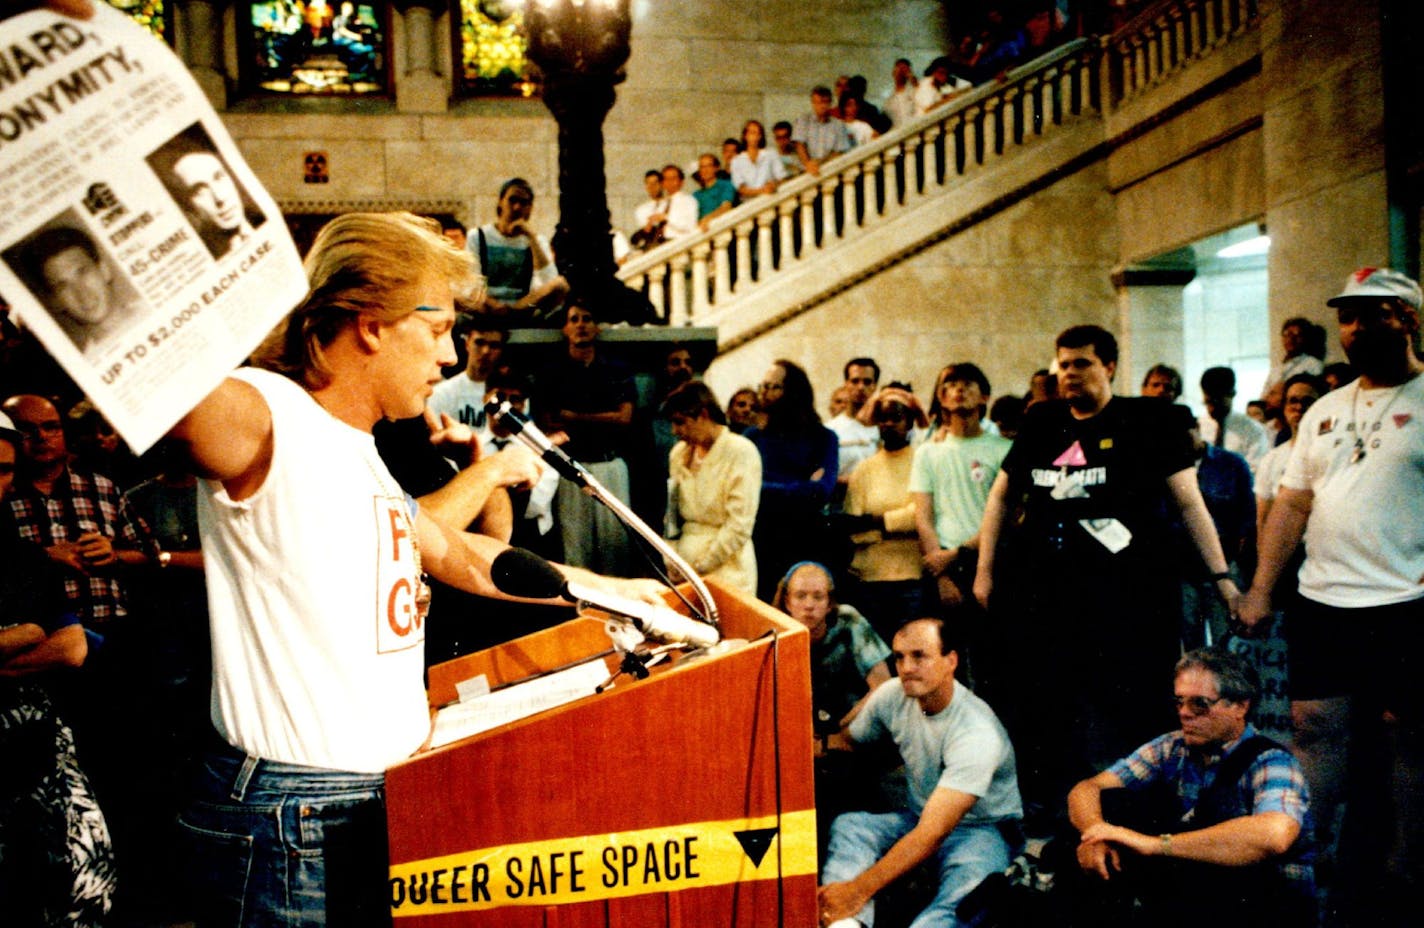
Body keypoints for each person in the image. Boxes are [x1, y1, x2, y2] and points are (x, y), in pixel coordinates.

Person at [162, 212, 661, 926]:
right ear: (371, 323)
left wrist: (619, 595)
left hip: (373, 800)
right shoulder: (265, 410)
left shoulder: (360, 446)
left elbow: (460, 554)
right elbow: (164, 395)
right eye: (437, 331)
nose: (452, 357)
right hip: (292, 822)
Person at [973, 326, 1240, 822]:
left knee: (1135, 712)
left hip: (1130, 601)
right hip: (1050, 599)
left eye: (1082, 364)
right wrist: (985, 572)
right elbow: (1000, 497)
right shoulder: (1042, 421)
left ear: (1110, 366)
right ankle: (1063, 818)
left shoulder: (1148, 420)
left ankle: (1144, 818)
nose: (1069, 375)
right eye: (1063, 365)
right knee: (1051, 711)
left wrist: (1221, 576)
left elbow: (1189, 502)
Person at [1240, 267, 1424, 926]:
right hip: (1325, 600)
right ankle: (1304, 856)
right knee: (1314, 729)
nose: (1355, 328)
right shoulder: (1322, 408)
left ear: (1406, 318)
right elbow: (1291, 505)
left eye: (1372, 314)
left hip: (1406, 603)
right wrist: (1262, 587)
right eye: (1348, 317)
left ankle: (1405, 868)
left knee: (1406, 737)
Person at [1065, 648, 1315, 928]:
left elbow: (1275, 835)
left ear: (1240, 707)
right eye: (1179, 701)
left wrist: (1154, 845)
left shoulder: (1272, 761)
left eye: (1200, 704)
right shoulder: (1172, 747)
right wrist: (1096, 835)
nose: (1184, 713)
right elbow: (1087, 789)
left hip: (1270, 906)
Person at [818, 617, 1022, 928]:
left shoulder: (976, 732)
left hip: (982, 831)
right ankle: (845, 924)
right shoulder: (893, 694)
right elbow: (846, 741)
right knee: (851, 826)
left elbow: (933, 834)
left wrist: (858, 889)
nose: (906, 667)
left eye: (919, 656)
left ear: (950, 660)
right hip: (919, 817)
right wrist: (808, 744)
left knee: (962, 901)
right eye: (899, 656)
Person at [0, 409, 117, 928]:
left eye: (4, 469)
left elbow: (69, 646)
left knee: (78, 881)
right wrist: (22, 634)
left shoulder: (17, 554)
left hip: (32, 741)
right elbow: (36, 632)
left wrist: (21, 639)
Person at [534, 301, 636, 576]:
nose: (581, 324)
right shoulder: (552, 372)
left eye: (587, 318)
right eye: (574, 319)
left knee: (615, 548)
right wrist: (603, 417)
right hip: (572, 468)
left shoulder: (616, 368)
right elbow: (548, 422)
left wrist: (575, 416)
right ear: (566, 328)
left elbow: (624, 417)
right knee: (575, 550)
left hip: (610, 466)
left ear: (597, 327)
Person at [912, 364, 1010, 621]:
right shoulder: (927, 453)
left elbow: (1007, 514)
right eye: (951, 386)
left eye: (967, 385)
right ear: (942, 398)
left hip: (988, 560)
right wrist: (942, 576)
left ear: (984, 397)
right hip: (941, 565)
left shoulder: (1004, 449)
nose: (958, 391)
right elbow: (924, 517)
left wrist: (959, 554)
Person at [746, 360, 838, 601]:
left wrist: (766, 487)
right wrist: (801, 486)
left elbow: (821, 491)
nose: (763, 393)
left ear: (792, 392)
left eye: (773, 387)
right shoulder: (752, 438)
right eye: (762, 386)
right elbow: (746, 491)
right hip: (761, 544)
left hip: (805, 542)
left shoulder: (823, 438)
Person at [842, 386, 928, 642]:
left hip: (912, 577)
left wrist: (877, 522)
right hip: (870, 579)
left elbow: (920, 516)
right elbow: (853, 528)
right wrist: (898, 524)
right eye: (883, 418)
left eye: (897, 417)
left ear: (910, 421)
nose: (889, 424)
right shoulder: (864, 470)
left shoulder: (922, 462)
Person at [662, 381, 760, 595]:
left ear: (704, 414)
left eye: (680, 422)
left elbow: (739, 524)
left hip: (728, 570)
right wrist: (670, 559)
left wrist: (699, 567)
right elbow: (671, 516)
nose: (675, 431)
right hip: (682, 570)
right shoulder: (678, 454)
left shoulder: (741, 452)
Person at [14, 225, 140, 355]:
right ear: (55, 302)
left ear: (104, 270)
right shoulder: (87, 366)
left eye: (82, 272)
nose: (82, 293)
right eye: (63, 286)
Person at [467, 177, 569, 320]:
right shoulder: (477, 236)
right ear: (500, 202)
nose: (517, 207)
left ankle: (515, 315)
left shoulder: (536, 240)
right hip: (485, 305)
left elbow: (550, 280)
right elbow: (471, 281)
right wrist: (493, 304)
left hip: (521, 307)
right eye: (512, 200)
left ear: (530, 208)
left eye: (524, 203)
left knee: (560, 285)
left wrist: (531, 237)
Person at [153, 136, 263, 260]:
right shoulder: (196, 254)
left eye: (219, 177)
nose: (220, 198)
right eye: (199, 190)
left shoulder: (262, 218)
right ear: (188, 205)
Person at [427, 321, 508, 434]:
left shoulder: (511, 396)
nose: (485, 351)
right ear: (467, 344)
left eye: (494, 346)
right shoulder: (442, 393)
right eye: (479, 343)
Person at [1197, 366, 1270, 472]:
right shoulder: (1197, 426)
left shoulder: (1252, 430)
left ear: (1232, 393)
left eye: (1217, 402)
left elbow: (1254, 469)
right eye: (1208, 402)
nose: (1211, 409)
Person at [827, 357, 881, 484]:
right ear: (846, 384)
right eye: (855, 381)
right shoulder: (831, 429)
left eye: (867, 382)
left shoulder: (884, 428)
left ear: (875, 386)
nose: (861, 387)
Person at [793, 86, 855, 176]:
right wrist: (808, 164)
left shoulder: (839, 125)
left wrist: (819, 162)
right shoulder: (803, 121)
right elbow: (799, 145)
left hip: (829, 172)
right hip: (805, 172)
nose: (822, 106)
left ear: (830, 103)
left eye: (825, 102)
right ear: (813, 103)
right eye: (818, 103)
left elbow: (839, 151)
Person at [730, 119, 788, 200]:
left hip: (771, 199)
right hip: (749, 205)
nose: (755, 136)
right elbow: (740, 188)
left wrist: (774, 185)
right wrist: (761, 191)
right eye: (752, 133)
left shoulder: (771, 154)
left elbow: (782, 177)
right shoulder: (736, 161)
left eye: (758, 133)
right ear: (745, 136)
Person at [692, 153, 738, 231]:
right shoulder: (696, 195)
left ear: (716, 168)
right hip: (702, 232)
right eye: (702, 167)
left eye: (709, 166)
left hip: (720, 229)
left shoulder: (725, 185)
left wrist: (707, 219)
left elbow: (726, 207)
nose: (705, 170)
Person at [883, 58, 919, 128]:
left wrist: (913, 80)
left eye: (904, 69)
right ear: (893, 72)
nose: (901, 72)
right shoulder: (888, 99)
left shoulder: (914, 91)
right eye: (899, 68)